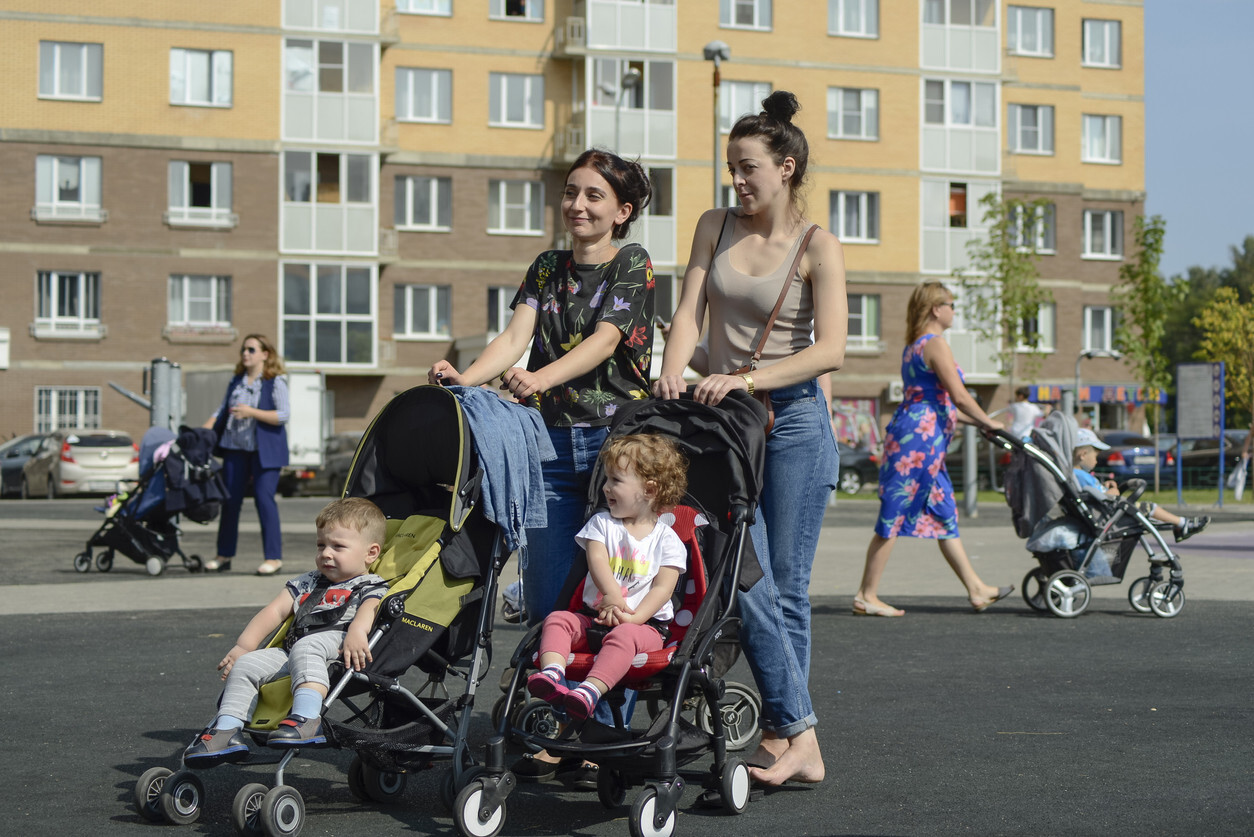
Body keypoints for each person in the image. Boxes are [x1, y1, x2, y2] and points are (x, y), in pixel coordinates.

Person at [427, 148, 654, 781]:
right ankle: (556, 719)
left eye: (594, 197)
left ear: (622, 211)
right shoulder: (546, 266)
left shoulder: (632, 264)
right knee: (552, 599)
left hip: (617, 448)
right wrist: (465, 382)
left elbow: (605, 341)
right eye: (571, 192)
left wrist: (536, 379)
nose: (578, 205)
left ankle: (605, 733)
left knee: (618, 594)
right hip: (549, 447)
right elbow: (512, 340)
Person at [653, 91, 846, 787]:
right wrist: (674, 371)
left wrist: (747, 376)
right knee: (743, 577)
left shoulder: (818, 245)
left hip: (792, 422)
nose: (737, 179)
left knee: (783, 586)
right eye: (732, 166)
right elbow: (686, 312)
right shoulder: (714, 225)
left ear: (786, 167)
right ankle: (799, 732)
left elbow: (831, 352)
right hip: (726, 423)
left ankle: (783, 734)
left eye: (749, 167)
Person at [183, 498, 388, 763]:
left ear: (370, 553)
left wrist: (358, 631)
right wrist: (244, 646)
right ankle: (228, 729)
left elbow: (370, 608)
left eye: (338, 546)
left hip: (339, 642)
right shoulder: (307, 581)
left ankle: (307, 718)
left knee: (308, 646)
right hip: (293, 650)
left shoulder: (370, 584)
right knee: (246, 665)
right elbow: (274, 611)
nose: (326, 553)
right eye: (321, 545)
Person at [854, 282, 1014, 619]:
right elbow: (959, 396)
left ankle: (976, 588)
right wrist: (989, 422)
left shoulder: (913, 347)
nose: (955, 310)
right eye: (952, 304)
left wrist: (980, 425)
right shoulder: (935, 344)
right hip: (919, 443)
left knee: (944, 513)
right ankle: (867, 594)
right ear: (935, 309)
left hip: (919, 436)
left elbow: (936, 404)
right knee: (895, 512)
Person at [526, 434, 687, 721]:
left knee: (625, 636)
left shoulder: (667, 540)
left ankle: (590, 690)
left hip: (644, 628)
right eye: (607, 479)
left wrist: (634, 618)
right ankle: (552, 673)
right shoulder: (602, 523)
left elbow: (663, 588)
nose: (606, 487)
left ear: (649, 490)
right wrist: (611, 593)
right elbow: (597, 559)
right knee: (557, 619)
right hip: (594, 618)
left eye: (616, 480)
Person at [202, 334, 290, 576]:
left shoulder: (275, 381)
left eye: (251, 349)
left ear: (265, 354)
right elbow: (221, 410)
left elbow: (283, 414)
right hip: (235, 449)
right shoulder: (237, 381)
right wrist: (203, 432)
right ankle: (223, 555)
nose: (245, 353)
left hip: (266, 453)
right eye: (243, 349)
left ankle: (273, 558)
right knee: (230, 502)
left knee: (264, 500)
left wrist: (252, 411)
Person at [1072, 428, 1209, 545]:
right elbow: (1106, 497)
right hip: (1107, 515)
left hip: (1105, 513)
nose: (1097, 460)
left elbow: (1094, 492)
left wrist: (1105, 487)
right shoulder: (1080, 475)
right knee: (1148, 508)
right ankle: (1181, 523)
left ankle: (1179, 524)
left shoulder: (1078, 474)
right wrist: (1114, 491)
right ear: (1083, 455)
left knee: (1144, 514)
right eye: (1096, 455)